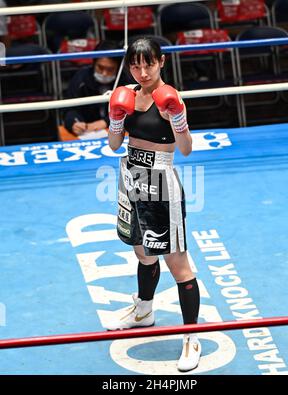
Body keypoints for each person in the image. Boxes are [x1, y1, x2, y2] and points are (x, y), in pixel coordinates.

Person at [106, 37, 201, 372]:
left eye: (148, 64)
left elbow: (186, 149)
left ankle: (192, 337)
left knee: (179, 266)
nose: (142, 71)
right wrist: (115, 118)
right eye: (135, 64)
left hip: (161, 184)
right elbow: (115, 143)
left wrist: (176, 120)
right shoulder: (127, 96)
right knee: (142, 251)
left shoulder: (171, 99)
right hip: (130, 176)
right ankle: (144, 310)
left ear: (162, 62)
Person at [63, 40, 122, 137]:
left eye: (110, 69)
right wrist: (73, 122)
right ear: (94, 63)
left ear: (119, 68)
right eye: (100, 67)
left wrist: (106, 122)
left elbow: (135, 110)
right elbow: (69, 109)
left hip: (118, 132)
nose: (104, 73)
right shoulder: (81, 78)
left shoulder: (125, 80)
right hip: (86, 133)